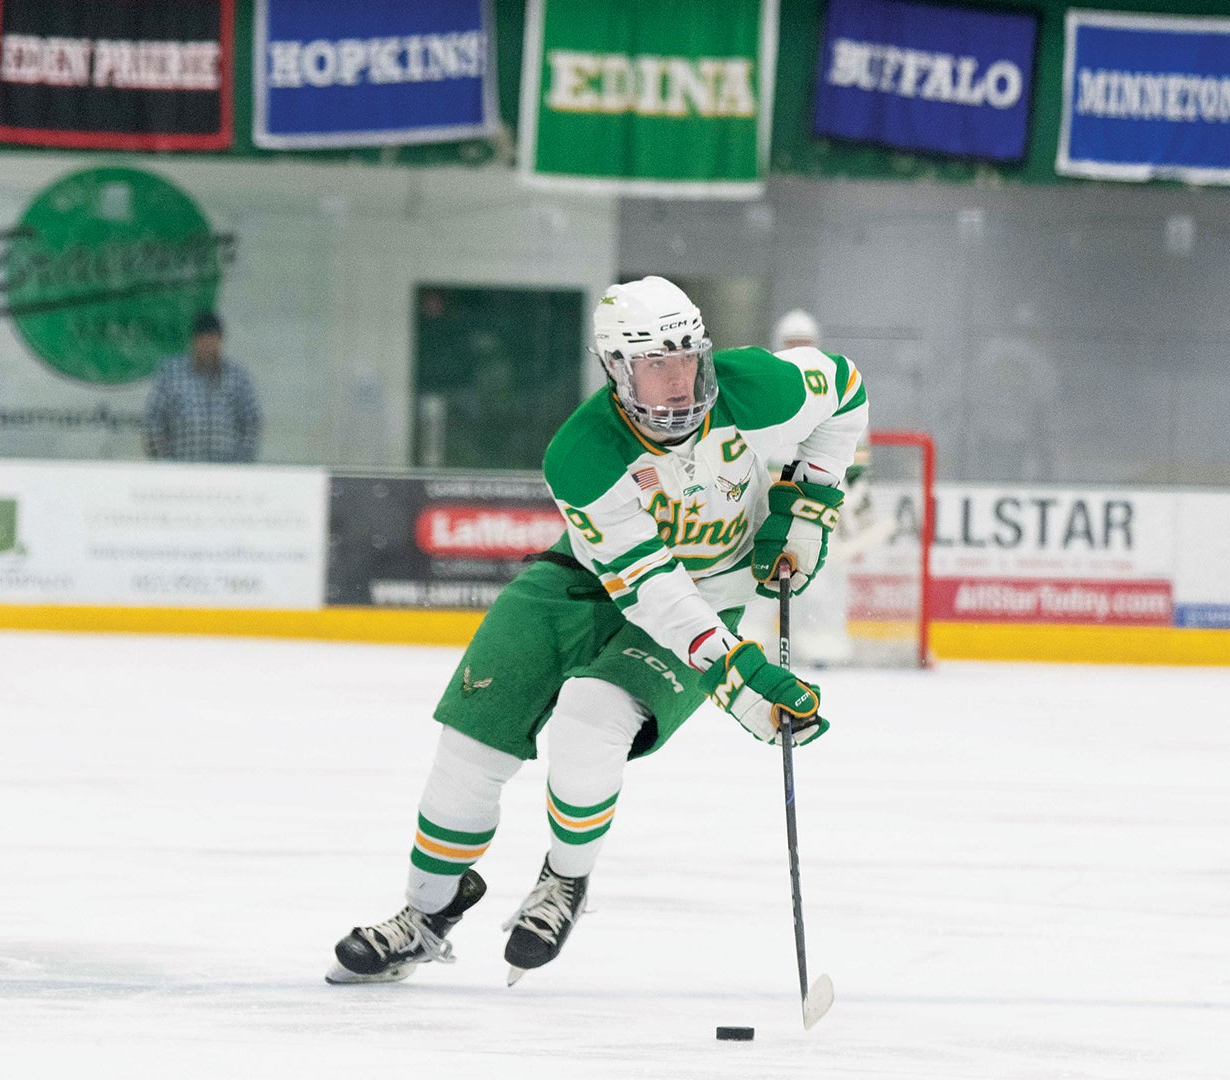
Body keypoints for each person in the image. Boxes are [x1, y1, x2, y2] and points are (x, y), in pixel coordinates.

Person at [327, 277, 869, 987]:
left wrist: (809, 503)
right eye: (656, 365)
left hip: (709, 594)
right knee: (469, 746)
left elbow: (846, 393)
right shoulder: (581, 453)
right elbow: (650, 589)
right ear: (617, 369)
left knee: (591, 715)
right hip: (586, 583)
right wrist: (739, 686)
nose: (678, 383)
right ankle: (427, 913)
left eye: (687, 360)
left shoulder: (758, 387)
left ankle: (565, 880)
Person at [768, 309, 874, 665]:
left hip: (818, 498)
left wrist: (853, 502)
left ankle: (822, 641)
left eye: (804, 343)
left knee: (822, 571)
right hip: (764, 498)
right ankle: (750, 640)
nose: (798, 349)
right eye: (791, 342)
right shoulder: (764, 391)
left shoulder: (836, 389)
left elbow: (854, 455)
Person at [142, 312, 262, 463]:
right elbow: (153, 421)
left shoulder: (238, 378)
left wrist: (239, 465)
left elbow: (252, 424)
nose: (207, 347)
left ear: (220, 341)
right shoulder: (171, 375)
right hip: (181, 473)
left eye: (212, 340)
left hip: (227, 476)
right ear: (193, 341)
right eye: (202, 340)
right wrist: (167, 464)